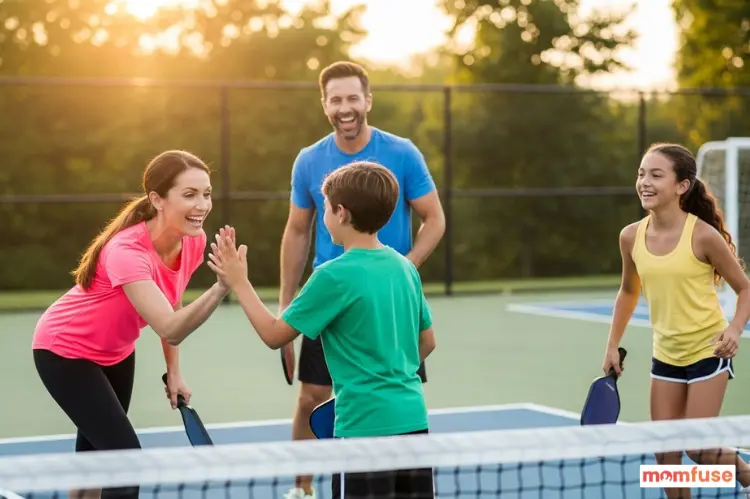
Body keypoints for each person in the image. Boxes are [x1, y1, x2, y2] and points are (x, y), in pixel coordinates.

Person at [208, 161, 437, 499]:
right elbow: (427, 342)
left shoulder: (332, 276)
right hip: (413, 421)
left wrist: (240, 283)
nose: (323, 215)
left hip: (362, 429)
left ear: (341, 213)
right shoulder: (405, 267)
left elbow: (275, 335)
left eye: (325, 208)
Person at [278, 60, 445, 499]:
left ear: (368, 100)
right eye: (336, 99)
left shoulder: (403, 152)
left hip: (384, 297)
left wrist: (403, 266)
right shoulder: (309, 160)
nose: (345, 107)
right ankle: (303, 487)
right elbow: (297, 231)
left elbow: (434, 219)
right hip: (327, 297)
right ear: (325, 104)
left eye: (353, 97)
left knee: (391, 389)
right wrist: (284, 303)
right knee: (312, 396)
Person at [32, 150, 232, 499]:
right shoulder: (127, 251)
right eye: (189, 194)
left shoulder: (193, 241)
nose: (202, 204)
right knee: (125, 464)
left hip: (116, 353)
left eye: (207, 193)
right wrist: (222, 286)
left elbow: (172, 304)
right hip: (63, 351)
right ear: (157, 199)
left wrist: (175, 370)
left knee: (96, 460)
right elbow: (171, 326)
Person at [602, 143, 750, 499]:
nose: (644, 182)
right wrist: (611, 345)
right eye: (641, 173)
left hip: (708, 352)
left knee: (698, 450)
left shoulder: (702, 235)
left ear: (682, 186)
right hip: (665, 355)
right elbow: (627, 292)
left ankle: (746, 475)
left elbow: (745, 289)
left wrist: (734, 329)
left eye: (656, 174)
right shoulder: (630, 236)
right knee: (665, 455)